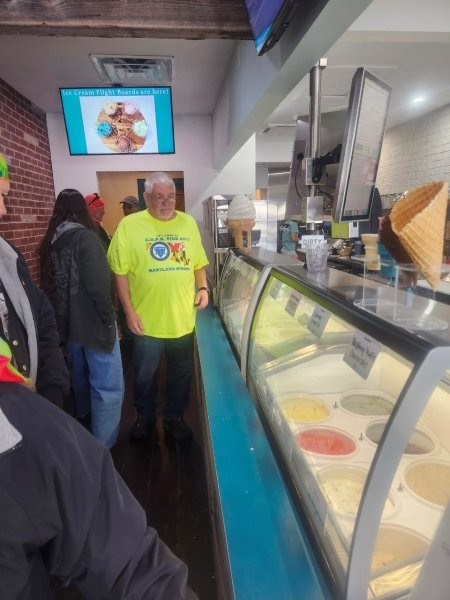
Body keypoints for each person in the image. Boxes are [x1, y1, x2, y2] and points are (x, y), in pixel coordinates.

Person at [0, 336, 197, 600]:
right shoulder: (20, 430)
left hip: (163, 325)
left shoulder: (22, 429)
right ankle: (141, 421)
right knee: (120, 380)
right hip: (127, 327)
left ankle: (165, 419)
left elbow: (129, 564)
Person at [108, 171, 209, 442]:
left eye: (171, 197)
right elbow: (119, 273)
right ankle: (145, 417)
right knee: (144, 375)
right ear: (146, 198)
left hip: (182, 319)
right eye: (159, 197)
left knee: (181, 373)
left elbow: (198, 263)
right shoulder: (129, 226)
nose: (166, 203)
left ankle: (174, 418)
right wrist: (128, 311)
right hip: (145, 321)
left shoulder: (188, 223)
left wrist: (203, 288)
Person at [39, 188, 124, 448]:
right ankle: (103, 445)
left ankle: (85, 419)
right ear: (82, 210)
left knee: (80, 376)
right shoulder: (86, 238)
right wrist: (109, 320)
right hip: (94, 323)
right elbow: (98, 287)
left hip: (68, 324)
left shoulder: (52, 240)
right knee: (108, 387)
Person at [0, 152, 69, 407]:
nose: (3, 210)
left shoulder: (9, 256)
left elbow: (41, 315)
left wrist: (53, 386)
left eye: (4, 197)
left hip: (33, 403)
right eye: (1, 196)